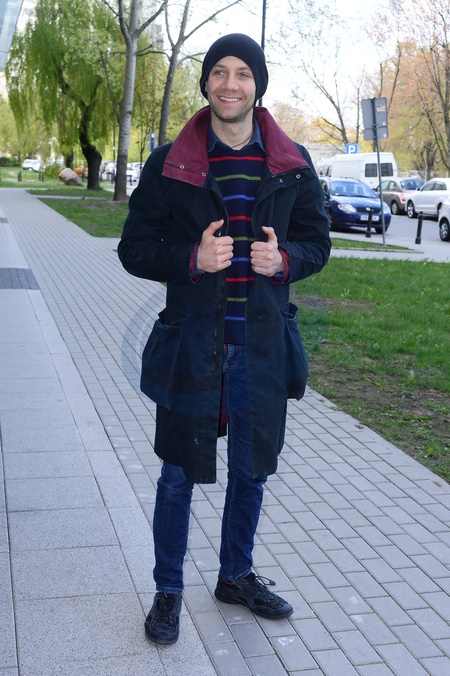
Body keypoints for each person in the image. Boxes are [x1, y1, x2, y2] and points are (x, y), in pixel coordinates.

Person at [118, 33, 331, 645]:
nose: (229, 84)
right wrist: (191, 258)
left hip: (261, 346)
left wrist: (285, 261)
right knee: (177, 473)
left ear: (257, 85)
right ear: (206, 82)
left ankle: (235, 575)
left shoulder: (291, 162)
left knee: (251, 470)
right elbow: (134, 249)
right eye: (219, 72)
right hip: (192, 346)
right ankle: (168, 590)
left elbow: (318, 243)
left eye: (242, 73)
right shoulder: (171, 162)